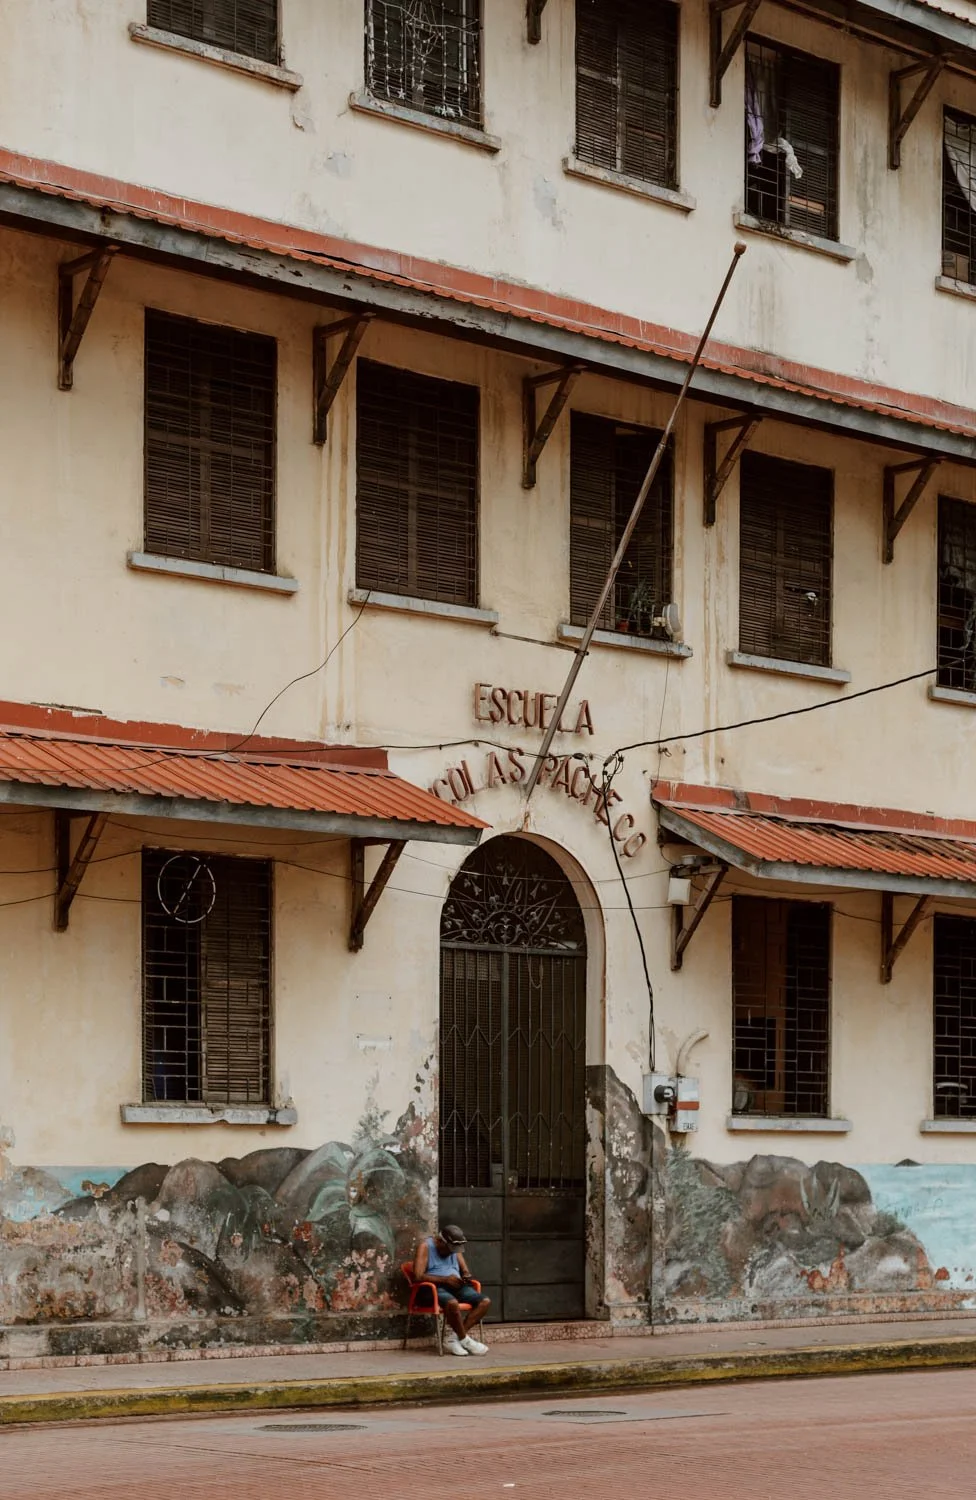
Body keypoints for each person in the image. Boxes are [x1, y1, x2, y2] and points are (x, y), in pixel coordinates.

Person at [413, 1224, 490, 1356]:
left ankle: (454, 1338)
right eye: (449, 1249)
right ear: (440, 1241)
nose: (452, 1252)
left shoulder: (454, 1247)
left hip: (455, 1285)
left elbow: (464, 1269)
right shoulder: (426, 1247)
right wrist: (445, 1280)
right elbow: (418, 1276)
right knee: (452, 1303)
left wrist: (465, 1275)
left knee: (485, 1302)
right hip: (433, 1288)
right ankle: (465, 1340)